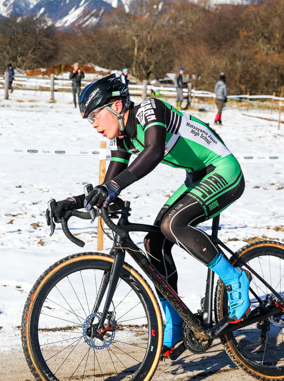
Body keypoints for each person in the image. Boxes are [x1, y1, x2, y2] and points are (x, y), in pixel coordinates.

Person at [50, 74, 249, 358]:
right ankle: (177, 319)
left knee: (173, 224)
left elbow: (154, 150)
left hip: (223, 169)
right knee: (154, 242)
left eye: (95, 115)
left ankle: (234, 279)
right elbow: (111, 184)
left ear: (117, 106)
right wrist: (75, 201)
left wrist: (113, 187)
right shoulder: (123, 139)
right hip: (198, 176)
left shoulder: (150, 110)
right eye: (88, 119)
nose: (93, 124)